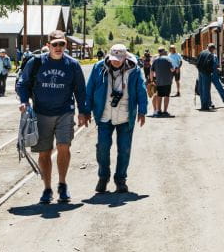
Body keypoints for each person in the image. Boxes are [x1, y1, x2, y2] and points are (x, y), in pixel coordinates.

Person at [16, 30, 88, 204]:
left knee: (64, 147)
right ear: (48, 45)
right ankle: (47, 188)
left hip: (65, 112)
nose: (58, 47)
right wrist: (25, 101)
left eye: (61, 44)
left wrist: (83, 112)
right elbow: (22, 84)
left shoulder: (72, 65)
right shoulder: (36, 62)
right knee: (44, 152)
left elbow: (80, 90)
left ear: (65, 45)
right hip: (41, 113)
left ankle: (62, 185)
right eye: (54, 44)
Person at [84, 43, 147, 194]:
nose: (115, 61)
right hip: (104, 115)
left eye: (119, 59)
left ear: (125, 57)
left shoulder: (134, 70)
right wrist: (86, 110)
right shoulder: (98, 68)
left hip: (125, 116)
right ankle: (103, 177)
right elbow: (90, 89)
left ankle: (120, 180)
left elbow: (141, 90)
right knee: (103, 148)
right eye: (113, 58)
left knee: (124, 150)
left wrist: (142, 111)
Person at [195, 43, 224, 110]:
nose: (214, 51)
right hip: (209, 73)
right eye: (214, 49)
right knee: (207, 89)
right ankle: (206, 105)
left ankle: (208, 104)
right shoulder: (211, 55)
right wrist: (213, 71)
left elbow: (197, 63)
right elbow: (213, 65)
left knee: (203, 89)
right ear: (212, 49)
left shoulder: (202, 52)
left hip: (202, 72)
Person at [149, 47, 175, 117]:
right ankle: (165, 111)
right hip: (167, 81)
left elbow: (151, 71)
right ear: (163, 52)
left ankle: (159, 111)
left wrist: (151, 81)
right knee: (166, 96)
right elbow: (172, 69)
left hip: (159, 81)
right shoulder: (168, 59)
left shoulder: (155, 60)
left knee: (159, 96)